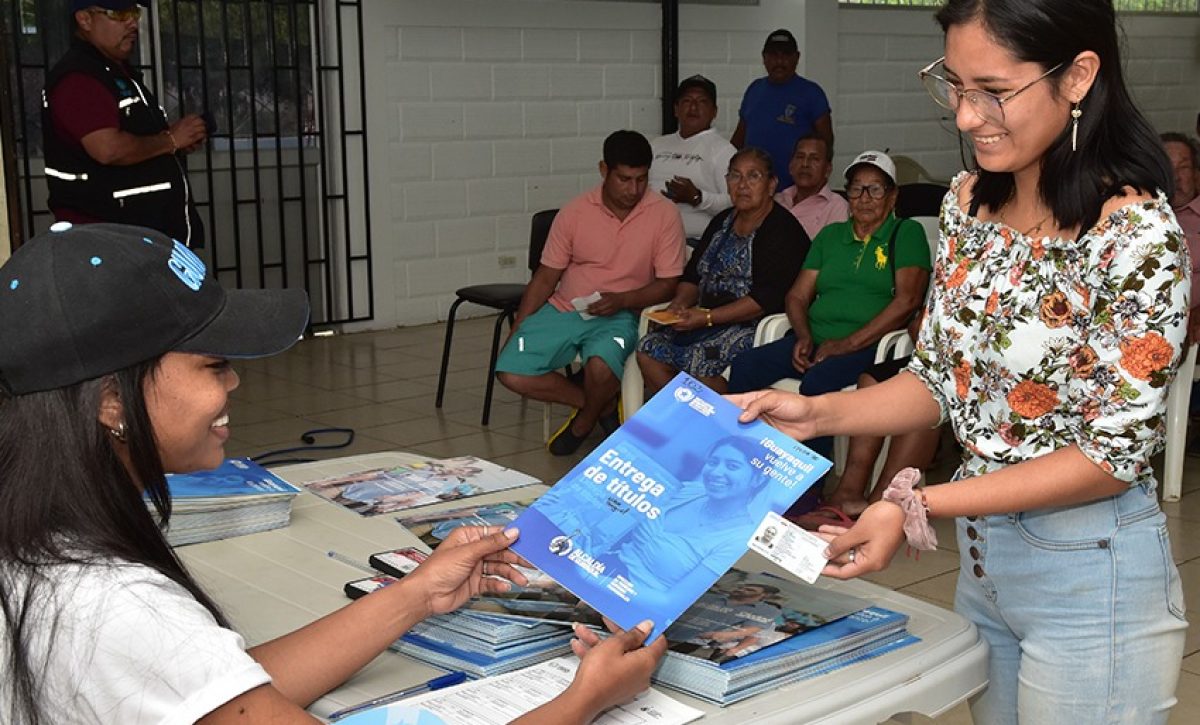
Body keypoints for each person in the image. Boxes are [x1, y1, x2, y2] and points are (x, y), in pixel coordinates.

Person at [0, 222, 667, 724]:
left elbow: (214, 686)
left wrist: (418, 594)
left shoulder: (41, 539)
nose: (234, 382)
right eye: (213, 364)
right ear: (111, 401)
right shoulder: (113, 605)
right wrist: (586, 699)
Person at [733, 1, 1189, 721]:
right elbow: (938, 378)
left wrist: (915, 503)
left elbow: (1111, 456)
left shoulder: (1135, 234)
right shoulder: (969, 203)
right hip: (985, 563)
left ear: (1077, 77)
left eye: (994, 91)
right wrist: (816, 413)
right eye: (954, 85)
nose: (967, 116)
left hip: (1089, 573)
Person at [727, 150, 931, 514]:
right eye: (856, 189)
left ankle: (808, 490)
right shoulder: (831, 235)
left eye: (875, 190)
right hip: (816, 339)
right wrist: (803, 335)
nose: (864, 198)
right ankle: (746, 465)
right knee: (745, 367)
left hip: (870, 344)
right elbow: (797, 296)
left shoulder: (906, 233)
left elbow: (907, 301)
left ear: (892, 196)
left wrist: (846, 344)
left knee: (818, 381)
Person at [496, 130, 685, 456]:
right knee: (511, 371)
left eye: (641, 179)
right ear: (603, 170)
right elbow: (545, 277)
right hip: (565, 309)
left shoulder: (664, 213)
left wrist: (622, 300)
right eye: (624, 179)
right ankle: (600, 405)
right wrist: (520, 325)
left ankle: (583, 424)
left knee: (600, 366)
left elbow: (668, 283)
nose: (633, 190)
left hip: (623, 314)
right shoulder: (575, 212)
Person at [636, 148, 809, 395]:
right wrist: (678, 305)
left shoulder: (782, 230)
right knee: (648, 349)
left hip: (752, 325)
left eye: (753, 176)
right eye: (735, 176)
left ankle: (718, 418)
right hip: (705, 318)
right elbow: (693, 276)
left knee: (700, 362)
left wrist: (707, 318)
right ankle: (686, 417)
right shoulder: (722, 221)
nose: (743, 185)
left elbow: (764, 300)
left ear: (771, 185)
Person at [42, 1, 208, 246]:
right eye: (119, 13)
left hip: (143, 236)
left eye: (133, 13)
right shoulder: (79, 77)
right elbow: (108, 149)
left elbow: (136, 138)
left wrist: (174, 144)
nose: (132, 22)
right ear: (85, 19)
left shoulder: (115, 71)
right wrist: (170, 140)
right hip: (109, 241)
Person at [731, 29, 833, 191]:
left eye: (786, 55)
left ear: (797, 58)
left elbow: (826, 146)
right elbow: (738, 141)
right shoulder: (754, 90)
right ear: (764, 58)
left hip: (796, 193)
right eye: (773, 55)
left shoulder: (812, 93)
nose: (779, 61)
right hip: (755, 190)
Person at [649, 75, 737, 245]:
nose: (694, 107)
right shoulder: (656, 145)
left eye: (702, 102)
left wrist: (697, 197)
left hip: (695, 242)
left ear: (714, 111)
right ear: (676, 109)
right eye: (687, 101)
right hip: (652, 239)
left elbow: (735, 202)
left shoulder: (723, 150)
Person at [1161, 133, 1199, 342]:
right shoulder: (1139, 218)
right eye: (1167, 167)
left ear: (1196, 174)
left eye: (1183, 167)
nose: (1175, 177)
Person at [774, 133, 849, 240]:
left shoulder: (837, 207)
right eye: (800, 157)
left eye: (814, 159)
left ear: (827, 170)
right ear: (790, 166)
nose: (805, 164)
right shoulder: (777, 200)